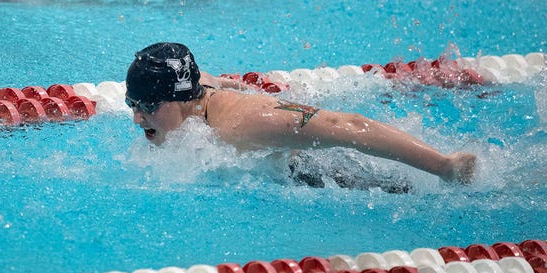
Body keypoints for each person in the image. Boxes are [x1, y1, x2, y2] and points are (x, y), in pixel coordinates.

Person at [125, 42, 476, 186]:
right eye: (133, 105)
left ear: (181, 100)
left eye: (148, 107)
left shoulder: (243, 125)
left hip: (338, 180)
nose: (138, 119)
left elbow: (347, 124)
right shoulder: (193, 92)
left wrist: (443, 166)